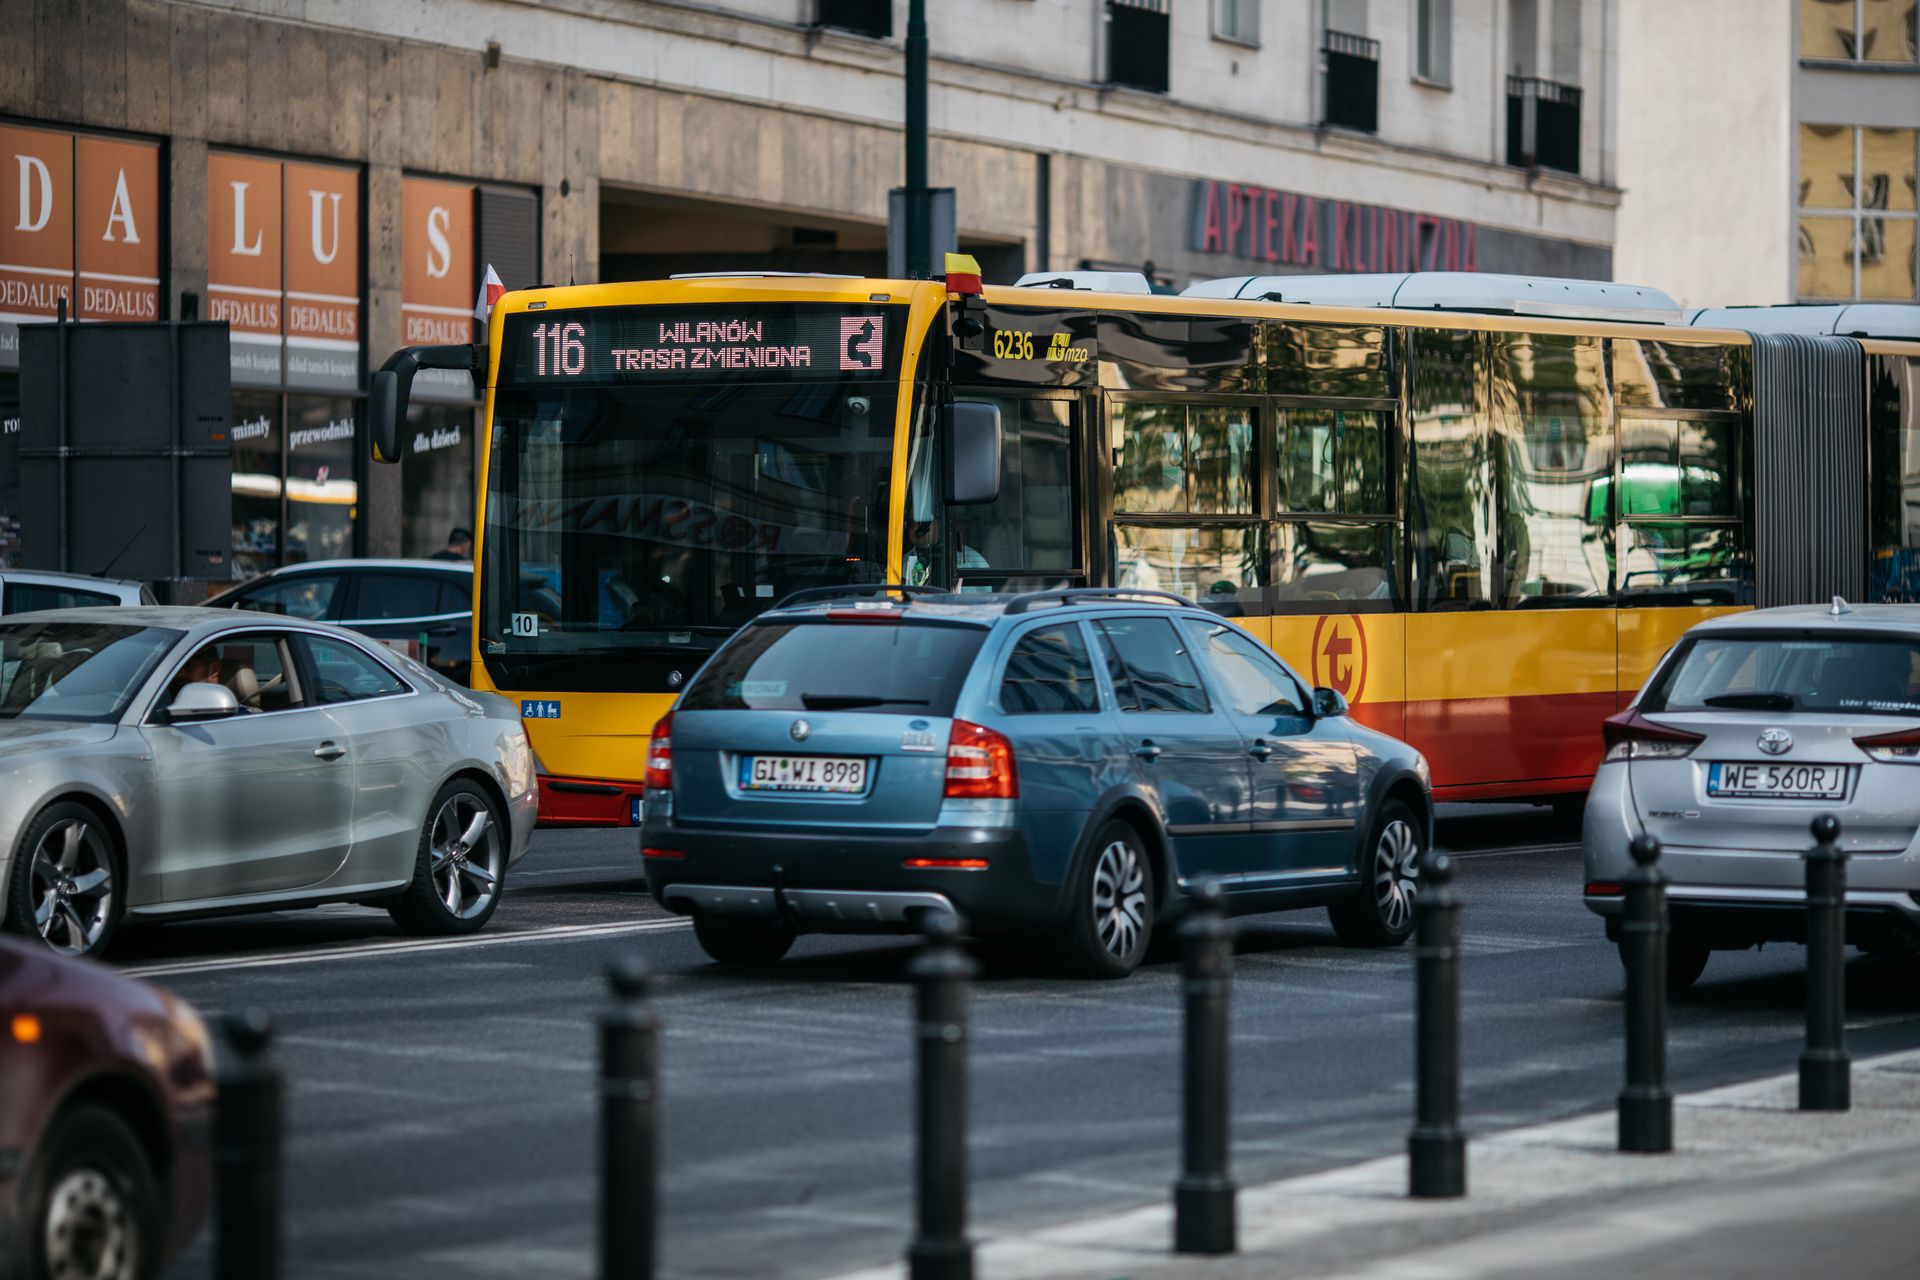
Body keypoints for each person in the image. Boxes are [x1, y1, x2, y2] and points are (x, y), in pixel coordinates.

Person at [903, 518, 988, 588]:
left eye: (920, 522)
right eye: (910, 524)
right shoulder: (900, 562)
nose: (915, 528)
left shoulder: (973, 560)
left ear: (937, 524)